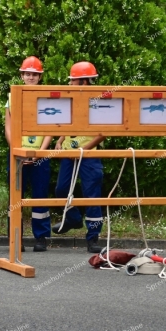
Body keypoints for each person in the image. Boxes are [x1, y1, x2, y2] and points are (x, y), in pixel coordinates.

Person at [52, 61, 106, 253]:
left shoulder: (98, 101)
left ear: (83, 82)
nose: (69, 84)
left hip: (89, 156)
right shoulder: (70, 100)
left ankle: (93, 238)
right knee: (61, 189)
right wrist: (60, 139)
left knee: (92, 195)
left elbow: (103, 133)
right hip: (69, 153)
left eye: (73, 81)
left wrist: (83, 150)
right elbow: (66, 123)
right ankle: (73, 218)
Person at [4, 56, 52, 252]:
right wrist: (17, 150)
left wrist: (40, 152)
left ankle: (41, 238)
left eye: (34, 74)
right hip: (18, 155)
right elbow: (8, 126)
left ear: (40, 77)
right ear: (22, 75)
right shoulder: (12, 96)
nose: (30, 77)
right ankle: (15, 238)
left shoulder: (48, 96)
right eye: (27, 74)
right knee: (15, 198)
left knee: (40, 197)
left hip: (40, 155)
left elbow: (51, 127)